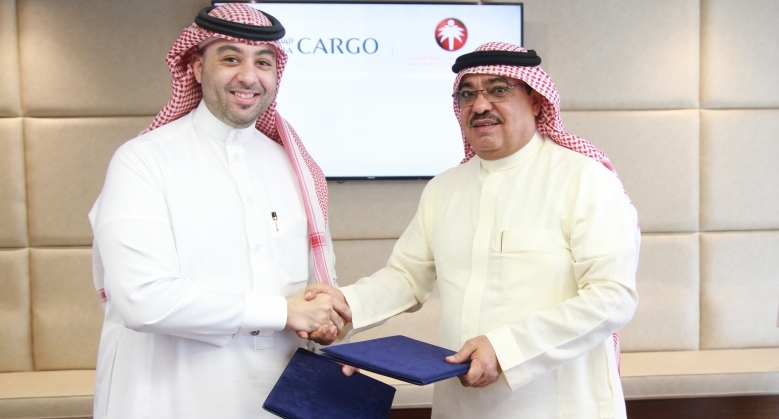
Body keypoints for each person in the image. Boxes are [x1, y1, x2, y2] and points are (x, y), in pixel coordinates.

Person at [306, 42, 640, 418]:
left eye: (498, 90)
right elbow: (405, 277)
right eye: (468, 94)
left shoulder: (584, 179)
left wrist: (505, 348)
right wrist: (347, 305)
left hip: (556, 403)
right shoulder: (444, 188)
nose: (480, 105)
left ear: (535, 101)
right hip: (462, 405)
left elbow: (612, 297)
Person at [88, 4, 348, 418]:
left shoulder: (294, 166)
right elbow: (142, 298)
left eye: (263, 62)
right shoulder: (143, 160)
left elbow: (316, 287)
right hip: (173, 396)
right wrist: (284, 311)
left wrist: (327, 324)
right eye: (230, 58)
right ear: (194, 66)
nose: (249, 76)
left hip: (279, 398)